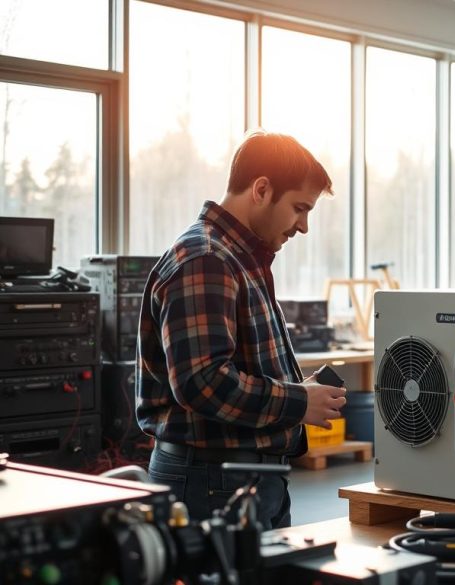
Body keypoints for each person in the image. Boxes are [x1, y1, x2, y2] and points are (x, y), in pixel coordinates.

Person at [136, 131, 346, 529]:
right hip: (212, 481)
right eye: (299, 208)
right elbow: (203, 382)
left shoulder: (238, 258)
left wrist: (300, 389)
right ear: (262, 189)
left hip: (239, 478)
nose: (303, 226)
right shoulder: (206, 259)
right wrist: (298, 402)